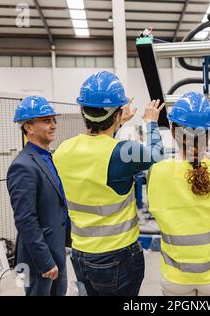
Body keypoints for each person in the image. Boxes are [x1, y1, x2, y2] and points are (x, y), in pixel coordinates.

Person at [53, 71, 165, 296]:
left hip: (80, 253)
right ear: (116, 115)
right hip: (118, 256)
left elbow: (97, 150)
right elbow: (156, 156)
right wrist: (151, 123)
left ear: (81, 111)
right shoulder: (123, 152)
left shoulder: (63, 149)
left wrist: (116, 124)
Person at [147, 92, 210, 296]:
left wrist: (151, 125)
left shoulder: (158, 171)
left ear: (173, 131)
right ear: (209, 134)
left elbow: (152, 157)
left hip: (175, 277)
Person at [7, 96, 68, 296]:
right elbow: (25, 219)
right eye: (46, 121)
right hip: (39, 260)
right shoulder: (22, 166)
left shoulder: (46, 158)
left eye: (53, 120)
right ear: (29, 128)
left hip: (55, 251)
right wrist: (45, 261)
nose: (53, 126)